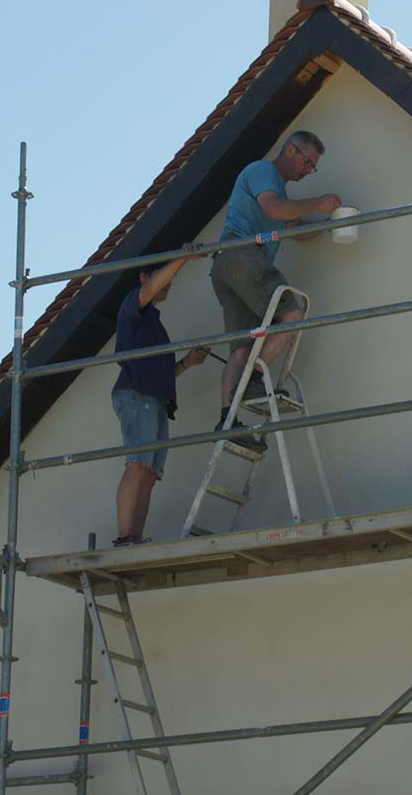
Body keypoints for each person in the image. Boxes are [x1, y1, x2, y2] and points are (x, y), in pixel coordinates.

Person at [210, 130, 342, 442]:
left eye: (313, 167)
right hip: (243, 254)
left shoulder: (276, 190)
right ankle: (254, 379)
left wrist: (328, 225)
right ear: (291, 150)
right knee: (292, 314)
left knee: (242, 346)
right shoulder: (262, 172)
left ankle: (227, 421)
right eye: (307, 162)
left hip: (227, 263)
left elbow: (293, 226)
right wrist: (318, 203)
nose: (308, 170)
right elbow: (275, 210)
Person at [111, 248, 211, 546]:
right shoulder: (133, 306)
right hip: (136, 396)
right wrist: (183, 258)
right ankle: (125, 538)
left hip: (153, 399)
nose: (169, 284)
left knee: (150, 472)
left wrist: (187, 363)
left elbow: (160, 375)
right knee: (138, 465)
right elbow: (150, 289)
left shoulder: (153, 322)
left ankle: (134, 538)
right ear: (144, 277)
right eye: (163, 276)